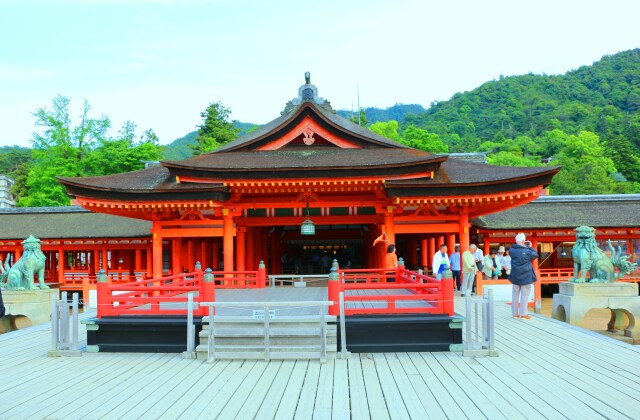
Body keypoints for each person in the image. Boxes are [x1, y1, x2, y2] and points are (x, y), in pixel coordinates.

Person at [509, 233, 539, 319]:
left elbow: (516, 251)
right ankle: (524, 314)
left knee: (515, 295)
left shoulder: (511, 250)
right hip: (525, 275)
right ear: (523, 241)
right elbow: (535, 255)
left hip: (515, 275)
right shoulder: (527, 251)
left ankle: (515, 313)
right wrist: (530, 246)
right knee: (524, 295)